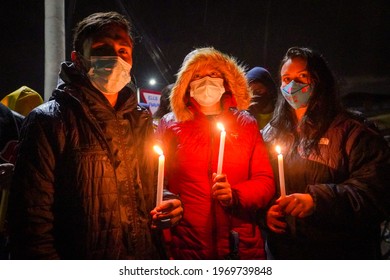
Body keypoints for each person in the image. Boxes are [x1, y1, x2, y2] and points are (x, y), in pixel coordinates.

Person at [8, 11, 183, 260]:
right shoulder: (48, 121)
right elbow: (31, 224)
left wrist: (168, 202)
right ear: (78, 59)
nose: (115, 57)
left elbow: (148, 187)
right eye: (102, 48)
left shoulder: (139, 120)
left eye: (123, 50)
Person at [262, 46, 390, 259]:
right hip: (285, 253)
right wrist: (265, 214)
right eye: (286, 78)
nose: (292, 85)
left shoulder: (354, 131)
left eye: (302, 76)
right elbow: (260, 185)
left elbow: (375, 193)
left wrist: (317, 200)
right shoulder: (270, 134)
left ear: (320, 81)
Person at [156, 47, 275, 259]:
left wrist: (235, 195)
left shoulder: (246, 124)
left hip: (240, 245)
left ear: (226, 80)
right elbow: (154, 179)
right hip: (188, 245)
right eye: (198, 75)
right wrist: (166, 199)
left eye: (213, 74)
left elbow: (265, 181)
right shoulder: (169, 124)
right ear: (186, 83)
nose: (206, 82)